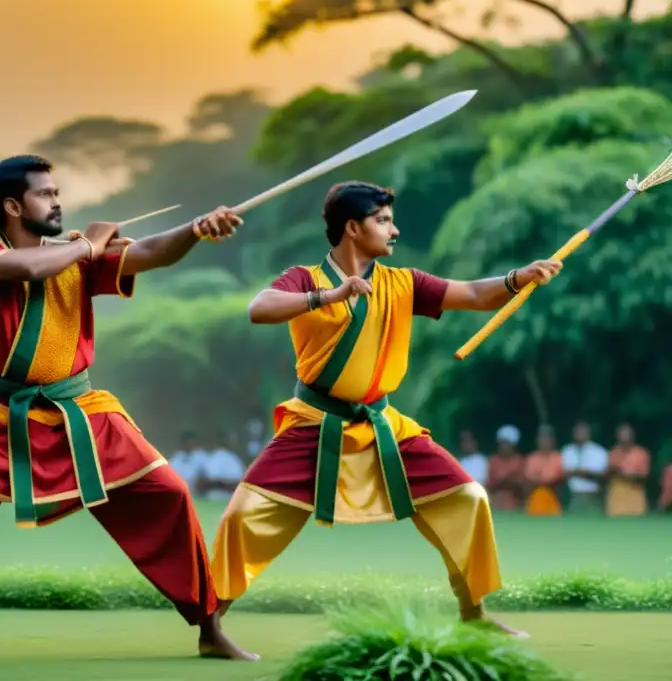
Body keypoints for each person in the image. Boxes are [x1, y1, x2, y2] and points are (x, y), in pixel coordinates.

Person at [0, 155, 257, 666]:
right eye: (46, 194)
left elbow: (154, 251)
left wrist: (198, 230)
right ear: (12, 206)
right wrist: (87, 245)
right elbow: (28, 268)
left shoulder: (77, 255)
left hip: (82, 410)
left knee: (171, 495)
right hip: (2, 415)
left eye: (56, 191)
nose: (58, 201)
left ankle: (209, 627)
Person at [210, 180, 562, 638]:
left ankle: (474, 614)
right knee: (241, 516)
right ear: (353, 228)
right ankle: (210, 624)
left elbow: (475, 295)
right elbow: (261, 307)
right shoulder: (305, 278)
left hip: (384, 425)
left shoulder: (403, 283)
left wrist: (519, 277)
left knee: (469, 499)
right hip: (314, 424)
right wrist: (329, 297)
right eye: (383, 221)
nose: (393, 231)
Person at [560, 420, 608, 515]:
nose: (580, 434)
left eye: (583, 431)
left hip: (593, 496)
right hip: (573, 496)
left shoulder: (599, 451)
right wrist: (586, 473)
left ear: (588, 432)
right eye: (577, 431)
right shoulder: (567, 451)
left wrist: (577, 472)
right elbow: (565, 473)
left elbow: (602, 475)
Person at [605, 422, 650, 516]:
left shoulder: (641, 454)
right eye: (621, 434)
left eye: (626, 434)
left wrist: (622, 473)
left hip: (635, 496)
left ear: (633, 436)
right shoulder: (614, 453)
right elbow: (607, 475)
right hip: (616, 497)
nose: (624, 437)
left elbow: (643, 477)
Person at [523, 425, 563, 516]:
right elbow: (529, 479)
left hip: (552, 496)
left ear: (553, 441)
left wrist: (542, 480)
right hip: (535, 496)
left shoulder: (558, 458)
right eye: (542, 438)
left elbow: (559, 479)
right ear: (537, 440)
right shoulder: (532, 458)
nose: (544, 442)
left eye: (547, 439)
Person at [486, 425, 525, 511]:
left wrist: (509, 480)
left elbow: (522, 486)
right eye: (502, 443)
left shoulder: (519, 461)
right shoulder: (493, 460)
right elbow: (490, 484)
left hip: (514, 499)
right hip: (495, 498)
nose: (503, 446)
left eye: (507, 443)